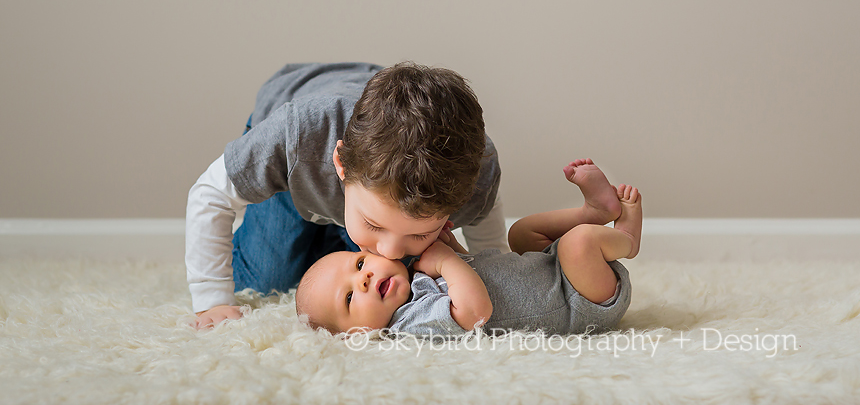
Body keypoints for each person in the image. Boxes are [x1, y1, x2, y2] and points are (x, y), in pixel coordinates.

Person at [186, 62, 506, 329]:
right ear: (340, 163)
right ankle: (337, 233)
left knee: (398, 283)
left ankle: (350, 234)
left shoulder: (473, 174)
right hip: (296, 162)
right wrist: (211, 300)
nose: (391, 251)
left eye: (420, 232)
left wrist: (497, 273)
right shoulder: (298, 134)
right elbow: (209, 194)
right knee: (266, 277)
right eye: (374, 224)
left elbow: (488, 236)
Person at [295, 158, 642, 336]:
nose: (365, 280)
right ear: (353, 336)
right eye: (350, 298)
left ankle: (592, 212)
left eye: (358, 266)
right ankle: (626, 238)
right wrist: (446, 261)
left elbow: (472, 271)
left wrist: (455, 250)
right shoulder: (409, 324)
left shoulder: (414, 281)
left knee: (521, 233)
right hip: (580, 301)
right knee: (577, 245)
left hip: (548, 270)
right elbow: (475, 311)